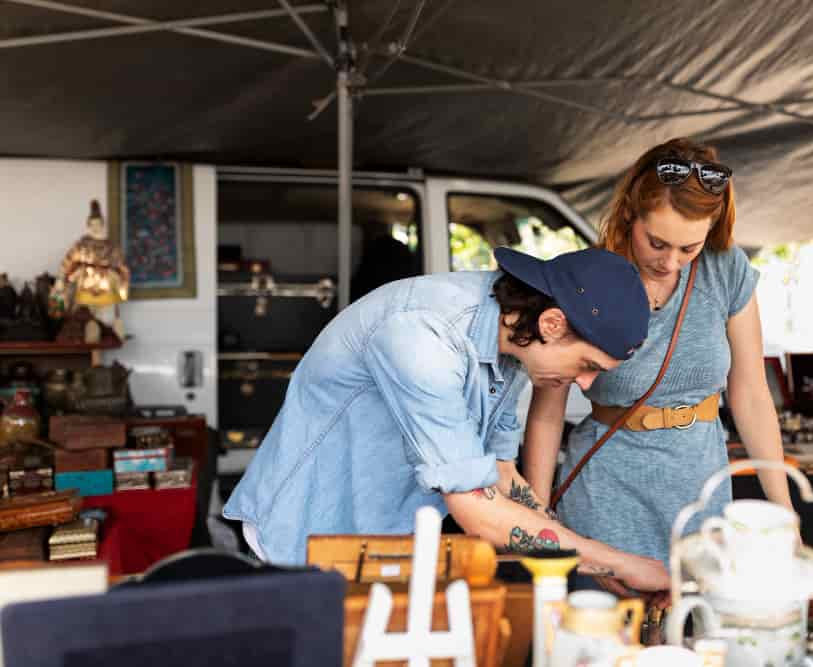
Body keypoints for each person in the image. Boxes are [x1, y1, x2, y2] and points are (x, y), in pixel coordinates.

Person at [223, 246, 672, 594]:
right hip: (306, 537)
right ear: (554, 324)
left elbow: (498, 472)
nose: (588, 384)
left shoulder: (513, 339)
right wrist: (616, 561)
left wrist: (586, 559)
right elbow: (476, 508)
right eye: (589, 364)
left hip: (384, 542)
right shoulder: (423, 336)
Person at [522, 138, 793, 596]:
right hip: (606, 494)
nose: (671, 263)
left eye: (690, 247)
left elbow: (750, 394)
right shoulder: (589, 277)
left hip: (700, 490)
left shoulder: (727, 269)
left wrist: (784, 514)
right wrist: (538, 522)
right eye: (657, 243)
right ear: (631, 213)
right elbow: (547, 410)